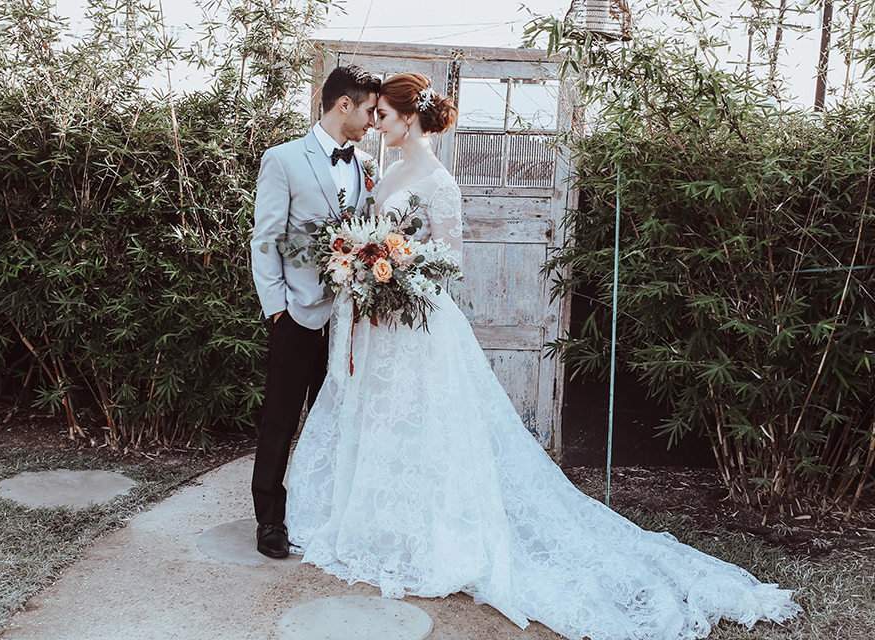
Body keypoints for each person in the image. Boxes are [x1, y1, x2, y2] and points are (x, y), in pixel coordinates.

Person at [284, 72, 800, 640]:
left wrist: (394, 274)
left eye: (382, 114)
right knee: (379, 420)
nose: (375, 122)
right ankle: (373, 521)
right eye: (373, 113)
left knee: (421, 425)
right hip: (374, 321)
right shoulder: (384, 170)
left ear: (409, 118)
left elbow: (448, 261)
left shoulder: (438, 180)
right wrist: (365, 264)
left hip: (411, 320)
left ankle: (424, 531)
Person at [249, 65, 380, 559]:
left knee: (337, 418)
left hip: (349, 321)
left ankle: (324, 510)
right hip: (297, 315)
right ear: (343, 104)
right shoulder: (282, 159)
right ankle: (270, 519)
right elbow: (266, 238)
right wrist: (277, 309)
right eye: (368, 109)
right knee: (280, 419)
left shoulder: (368, 165)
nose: (372, 120)